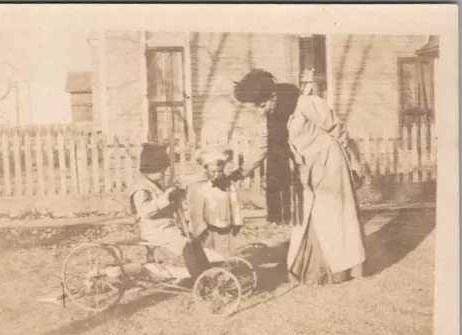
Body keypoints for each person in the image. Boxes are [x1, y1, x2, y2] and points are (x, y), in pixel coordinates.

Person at [229, 69, 365, 285]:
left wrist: (354, 163)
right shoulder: (271, 120)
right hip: (307, 171)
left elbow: (337, 131)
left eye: (262, 105)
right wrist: (237, 173)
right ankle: (311, 270)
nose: (261, 110)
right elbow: (261, 149)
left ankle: (339, 270)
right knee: (306, 219)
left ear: (272, 96)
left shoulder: (306, 104)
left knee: (332, 220)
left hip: (330, 167)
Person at [129, 143, 226, 283]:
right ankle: (201, 281)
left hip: (163, 226)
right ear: (151, 169)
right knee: (187, 245)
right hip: (152, 229)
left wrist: (176, 195)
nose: (164, 174)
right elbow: (144, 211)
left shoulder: (153, 183)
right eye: (161, 170)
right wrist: (166, 198)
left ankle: (206, 272)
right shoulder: (141, 188)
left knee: (194, 242)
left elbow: (166, 202)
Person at [186, 145, 243, 256]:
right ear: (205, 168)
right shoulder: (199, 187)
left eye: (220, 171)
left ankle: (227, 268)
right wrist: (200, 230)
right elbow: (196, 211)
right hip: (209, 232)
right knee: (211, 256)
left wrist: (237, 222)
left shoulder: (228, 185)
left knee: (227, 255)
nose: (217, 175)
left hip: (226, 230)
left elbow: (234, 205)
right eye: (213, 171)